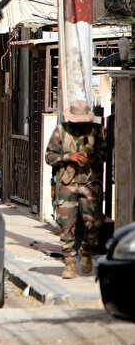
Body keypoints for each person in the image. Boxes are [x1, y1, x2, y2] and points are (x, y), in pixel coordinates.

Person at [44, 100, 107, 279]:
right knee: (66, 225)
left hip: (89, 183)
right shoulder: (61, 131)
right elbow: (49, 157)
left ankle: (86, 251)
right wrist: (68, 157)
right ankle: (69, 262)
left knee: (94, 222)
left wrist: (95, 158)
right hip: (67, 183)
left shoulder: (95, 131)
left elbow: (105, 153)